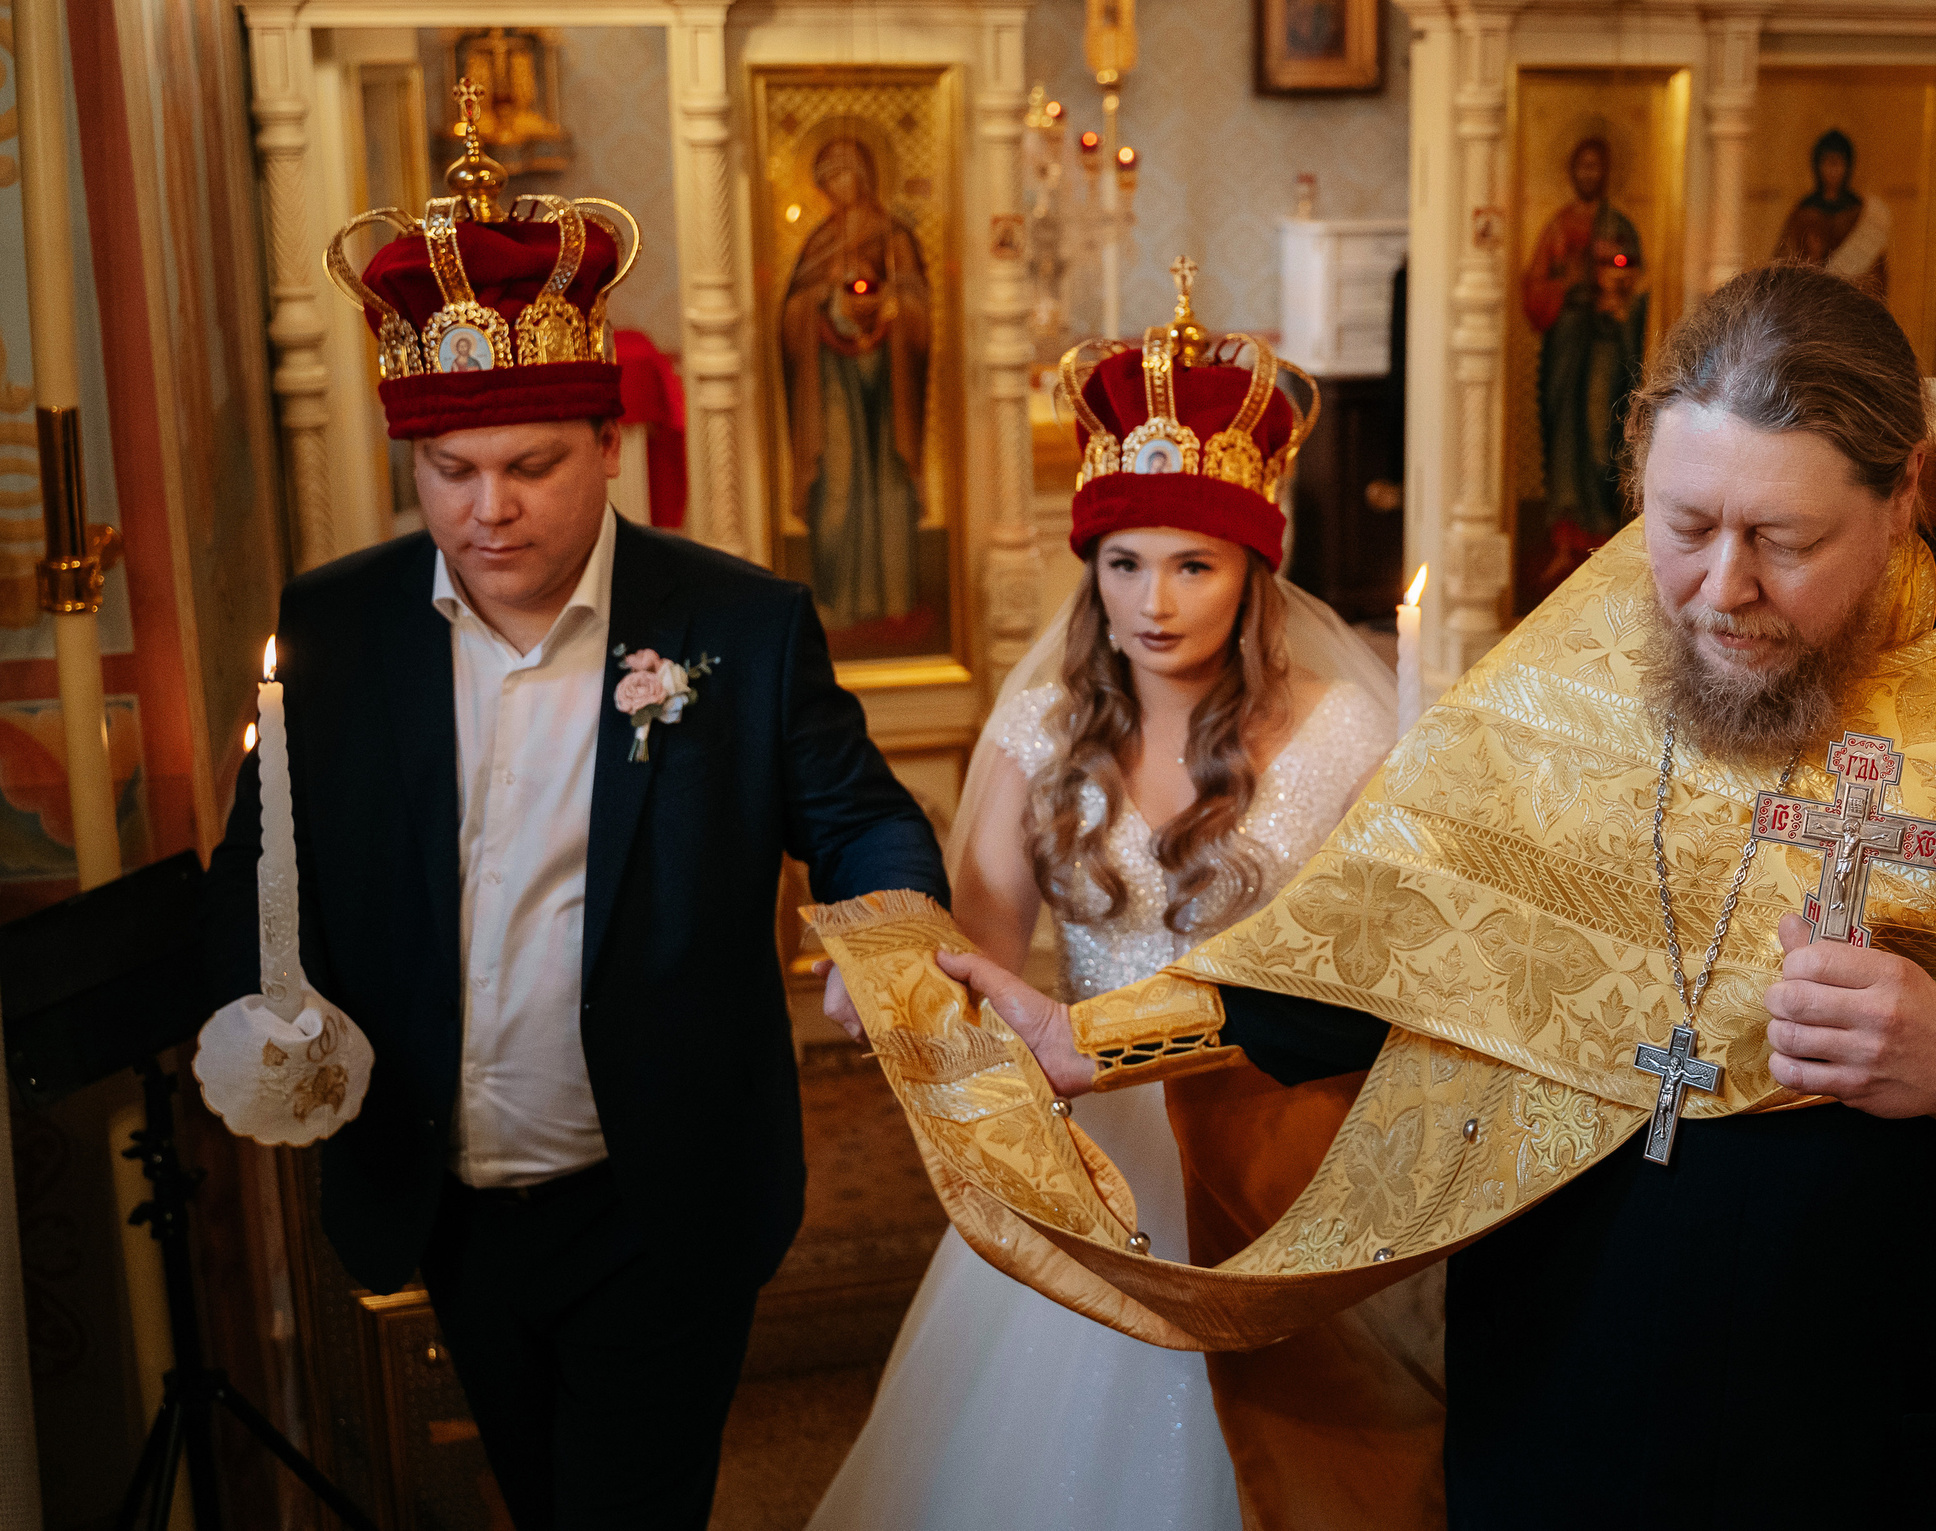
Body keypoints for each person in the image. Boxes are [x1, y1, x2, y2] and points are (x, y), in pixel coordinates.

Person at [819, 263, 1936, 1525]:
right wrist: (1098, 1038)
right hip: (1563, 1358)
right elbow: (1389, 933)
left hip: (1857, 1397)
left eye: (1787, 537)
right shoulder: (1580, 665)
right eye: (1683, 521)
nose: (1719, 587)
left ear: (1898, 502)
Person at [206, 103, 946, 1531]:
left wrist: (892, 932)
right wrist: (252, 997)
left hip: (659, 1191)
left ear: (611, 441)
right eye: (450, 472)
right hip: (445, 1183)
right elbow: (262, 858)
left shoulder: (738, 623)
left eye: (532, 465)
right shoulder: (340, 632)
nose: (489, 511)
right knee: (541, 1489)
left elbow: (859, 814)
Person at [810, 270, 1440, 1531]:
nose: (1153, 602)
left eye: (1193, 565)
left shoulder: (1346, 735)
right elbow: (977, 948)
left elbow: (1386, 974)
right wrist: (890, 981)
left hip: (1272, 1154)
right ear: (1089, 565)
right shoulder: (1043, 725)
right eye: (1123, 562)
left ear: (1253, 568)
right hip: (1082, 1154)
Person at [781, 136, 932, 628]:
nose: (832, 187)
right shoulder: (819, 242)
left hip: (890, 388)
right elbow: (790, 317)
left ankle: (893, 600)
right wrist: (826, 297)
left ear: (864, 175)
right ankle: (835, 602)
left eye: (840, 173)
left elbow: (920, 314)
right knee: (839, 479)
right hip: (830, 384)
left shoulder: (895, 237)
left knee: (887, 480)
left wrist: (890, 305)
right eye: (824, 178)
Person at [1521, 134, 1648, 601]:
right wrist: (1566, 281)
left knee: (1600, 434)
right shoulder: (1557, 227)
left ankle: (1603, 538)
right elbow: (1533, 287)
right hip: (1565, 345)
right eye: (1584, 166)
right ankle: (1565, 542)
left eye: (1598, 167)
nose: (1590, 175)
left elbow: (1641, 283)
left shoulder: (1621, 225)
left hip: (1605, 347)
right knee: (1564, 437)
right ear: (1573, 172)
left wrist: (1616, 290)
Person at [1772, 127, 1888, 300]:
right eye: (1827, 163)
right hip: (1811, 299)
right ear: (1817, 166)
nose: (1833, 171)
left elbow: (1876, 273)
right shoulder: (1804, 212)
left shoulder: (1861, 212)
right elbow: (1783, 262)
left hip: (1851, 300)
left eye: (1838, 163)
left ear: (1848, 166)